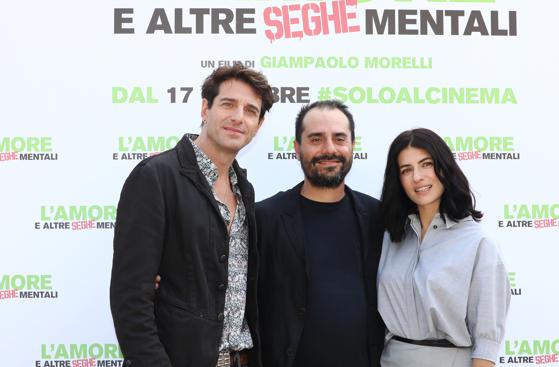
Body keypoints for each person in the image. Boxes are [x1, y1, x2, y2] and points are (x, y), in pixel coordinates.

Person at [110, 64, 274, 367]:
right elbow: (130, 297)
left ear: (259, 124)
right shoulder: (156, 178)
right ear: (204, 108)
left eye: (251, 111)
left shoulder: (245, 189)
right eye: (228, 104)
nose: (239, 117)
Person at [256, 100, 385, 367]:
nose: (329, 149)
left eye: (339, 138)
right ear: (296, 148)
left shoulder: (379, 217)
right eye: (316, 139)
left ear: (352, 146)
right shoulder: (264, 219)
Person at [377, 128, 510, 367]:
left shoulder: (477, 243)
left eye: (426, 164)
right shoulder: (392, 237)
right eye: (406, 170)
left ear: (444, 168)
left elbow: (486, 340)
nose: (417, 176)